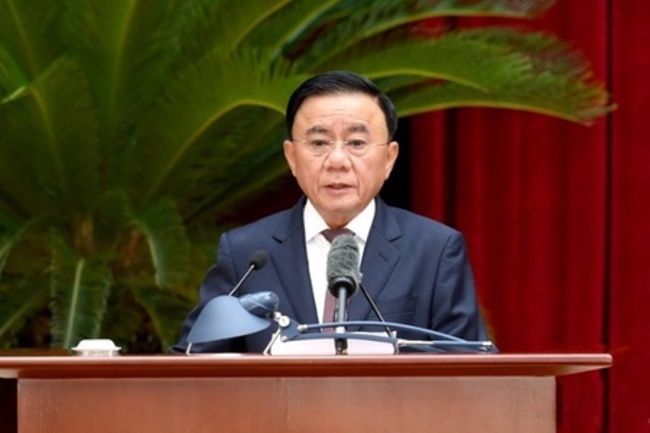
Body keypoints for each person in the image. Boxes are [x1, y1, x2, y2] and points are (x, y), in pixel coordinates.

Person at [173, 71, 488, 353]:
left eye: (356, 142)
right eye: (319, 142)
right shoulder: (247, 254)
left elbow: (471, 369)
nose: (337, 160)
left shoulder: (434, 251)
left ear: (389, 158)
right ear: (291, 157)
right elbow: (191, 365)